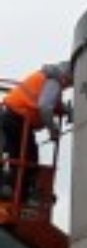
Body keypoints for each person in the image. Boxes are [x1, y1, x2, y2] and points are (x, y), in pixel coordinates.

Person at [0, 62, 71, 201]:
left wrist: (64, 109)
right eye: (70, 82)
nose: (69, 85)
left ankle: (19, 191)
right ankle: (22, 193)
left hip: (14, 117)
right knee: (25, 157)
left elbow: (47, 102)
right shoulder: (54, 81)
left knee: (22, 155)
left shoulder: (47, 79)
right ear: (67, 76)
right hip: (17, 118)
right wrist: (53, 130)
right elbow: (45, 107)